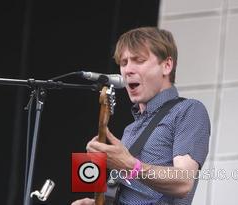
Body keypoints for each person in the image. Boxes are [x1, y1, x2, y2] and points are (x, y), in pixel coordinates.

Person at [72, 27, 210, 205]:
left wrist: (130, 165)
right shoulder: (130, 130)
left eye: (139, 60)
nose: (128, 69)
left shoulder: (188, 110)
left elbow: (183, 182)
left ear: (167, 65)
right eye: (123, 63)